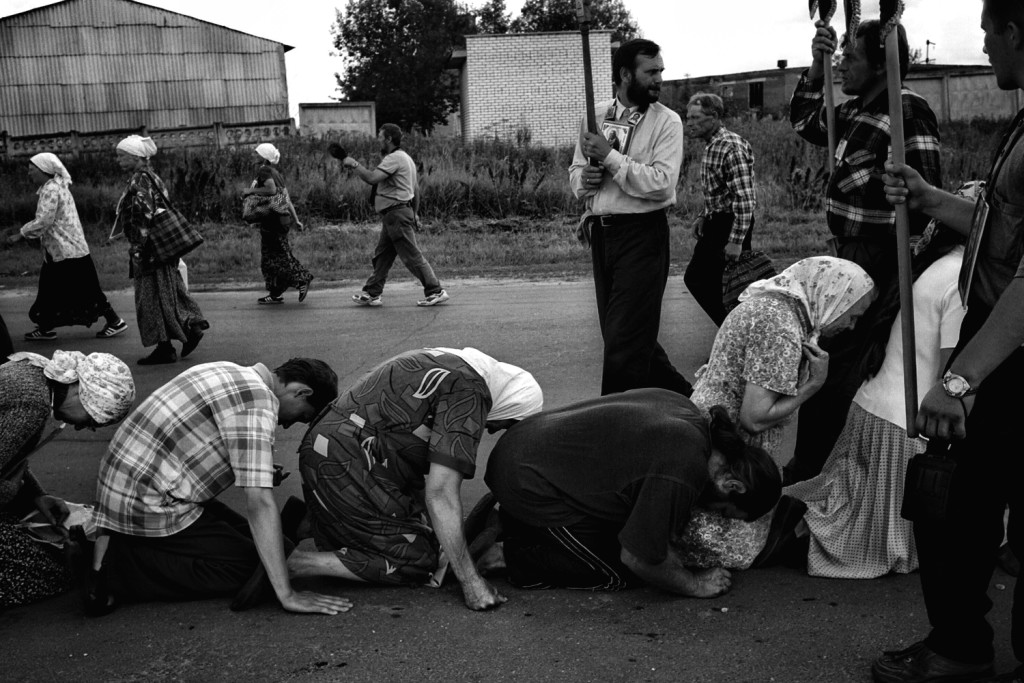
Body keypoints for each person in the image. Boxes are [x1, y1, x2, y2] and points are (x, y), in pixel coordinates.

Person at [871, 3, 1024, 680]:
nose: (985, 48)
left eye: (989, 34)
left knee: (955, 497)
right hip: (997, 337)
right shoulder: (1021, 123)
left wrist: (962, 379)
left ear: (1016, 31)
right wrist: (932, 199)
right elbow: (1003, 230)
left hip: (1010, 350)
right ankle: (959, 643)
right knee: (959, 500)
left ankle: (967, 649)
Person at [788, 18, 943, 484]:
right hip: (846, 253)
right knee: (823, 357)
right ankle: (813, 468)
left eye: (850, 58)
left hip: (878, 257)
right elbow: (804, 120)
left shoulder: (907, 110)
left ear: (881, 64)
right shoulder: (855, 111)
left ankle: (818, 472)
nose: (841, 66)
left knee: (835, 366)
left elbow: (927, 199)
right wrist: (816, 66)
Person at [83, 357, 351, 617]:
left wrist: (256, 468)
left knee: (266, 550)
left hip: (133, 488)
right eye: (302, 416)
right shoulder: (257, 401)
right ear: (301, 391)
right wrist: (287, 595)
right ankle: (119, 565)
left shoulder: (229, 371)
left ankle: (284, 534)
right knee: (254, 571)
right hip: (147, 504)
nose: (288, 424)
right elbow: (259, 502)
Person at [784, 213, 969, 579]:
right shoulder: (963, 282)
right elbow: (953, 376)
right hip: (906, 431)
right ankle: (787, 533)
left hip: (869, 410)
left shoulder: (930, 267)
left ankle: (788, 523)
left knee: (845, 507)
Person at [294, 347, 542, 611]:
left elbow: (405, 452)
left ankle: (316, 518)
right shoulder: (470, 392)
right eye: (505, 425)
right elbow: (441, 494)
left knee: (430, 539)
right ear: (513, 405)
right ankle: (300, 563)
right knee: (417, 561)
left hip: (330, 451)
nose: (492, 428)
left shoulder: (451, 361)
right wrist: (471, 581)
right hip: (343, 462)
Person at [477, 389, 780, 597]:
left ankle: (511, 522)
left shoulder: (690, 417)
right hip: (526, 481)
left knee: (636, 543)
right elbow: (638, 559)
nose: (714, 514)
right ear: (733, 485)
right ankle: (509, 556)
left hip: (525, 445)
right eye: (724, 511)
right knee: (623, 572)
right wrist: (693, 584)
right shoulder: (684, 471)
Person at [568, 38, 693, 397]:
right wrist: (584, 180)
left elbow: (661, 182)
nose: (659, 80)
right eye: (650, 72)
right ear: (625, 74)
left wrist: (609, 157)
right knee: (627, 337)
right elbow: (576, 171)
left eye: (660, 72)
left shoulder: (667, 122)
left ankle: (615, 428)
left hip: (643, 236)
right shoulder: (595, 116)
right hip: (602, 236)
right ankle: (696, 405)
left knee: (624, 343)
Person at [1, 350, 134, 607]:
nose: (83, 428)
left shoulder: (36, 376)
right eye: (91, 419)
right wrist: (9, 490)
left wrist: (37, 495)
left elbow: (8, 456)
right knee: (47, 574)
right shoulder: (33, 405)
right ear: (81, 394)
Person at [8, 153, 127, 341]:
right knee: (53, 289)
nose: (29, 174)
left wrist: (21, 234)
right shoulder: (57, 186)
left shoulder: (50, 189)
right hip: (67, 249)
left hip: (65, 250)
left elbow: (44, 221)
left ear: (44, 170)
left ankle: (114, 321)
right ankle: (45, 327)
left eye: (32, 170)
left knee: (82, 289)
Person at [112, 135, 209, 365]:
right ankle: (189, 327)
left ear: (135, 157)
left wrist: (137, 246)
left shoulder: (139, 180)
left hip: (150, 249)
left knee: (150, 297)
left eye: (121, 156)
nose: (118, 161)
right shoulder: (151, 176)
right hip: (163, 247)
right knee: (168, 290)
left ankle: (167, 345)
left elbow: (143, 215)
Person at [342, 124, 449, 308]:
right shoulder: (406, 158)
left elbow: (372, 178)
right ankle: (372, 293)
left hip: (396, 214)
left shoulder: (394, 159)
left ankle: (435, 291)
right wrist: (415, 214)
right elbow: (415, 189)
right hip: (396, 215)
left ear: (388, 139)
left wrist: (354, 164)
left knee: (411, 256)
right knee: (383, 256)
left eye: (380, 136)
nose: (378, 140)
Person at [683, 92, 758, 327]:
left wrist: (736, 240)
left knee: (701, 279)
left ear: (714, 116)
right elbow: (718, 191)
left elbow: (744, 199)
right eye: (688, 117)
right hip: (717, 222)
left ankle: (735, 333)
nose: (690, 123)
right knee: (718, 284)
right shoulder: (712, 146)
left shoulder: (730, 146)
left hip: (730, 223)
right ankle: (734, 336)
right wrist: (704, 215)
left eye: (695, 117)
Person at [241, 143, 313, 305]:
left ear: (263, 157)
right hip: (282, 220)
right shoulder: (276, 172)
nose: (253, 155)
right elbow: (285, 199)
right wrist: (296, 220)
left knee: (274, 258)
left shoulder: (264, 171)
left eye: (256, 153)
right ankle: (275, 293)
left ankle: (301, 280)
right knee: (275, 256)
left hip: (273, 222)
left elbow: (272, 191)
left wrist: (249, 191)